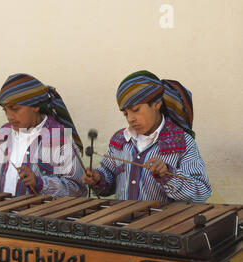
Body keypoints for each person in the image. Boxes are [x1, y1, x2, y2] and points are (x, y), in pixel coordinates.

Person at [82, 70, 211, 203]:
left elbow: (201, 191)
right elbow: (110, 179)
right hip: (122, 222)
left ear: (157, 104)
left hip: (163, 222)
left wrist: (168, 175)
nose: (130, 118)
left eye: (136, 110)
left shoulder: (182, 142)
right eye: (125, 114)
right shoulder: (120, 140)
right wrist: (98, 178)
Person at [0, 73, 87, 197]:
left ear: (35, 106)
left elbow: (76, 188)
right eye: (5, 110)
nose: (9, 116)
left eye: (15, 109)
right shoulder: (4, 133)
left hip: (37, 221)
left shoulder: (57, 137)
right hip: (1, 217)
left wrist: (40, 184)